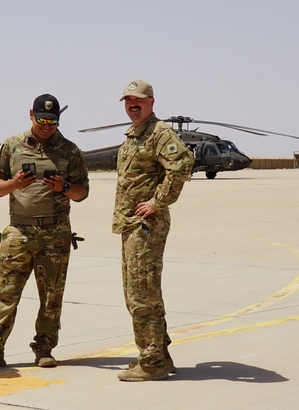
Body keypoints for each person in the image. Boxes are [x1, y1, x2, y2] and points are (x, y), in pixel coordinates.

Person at [0, 94, 89, 371]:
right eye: (42, 119)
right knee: (4, 294)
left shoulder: (70, 150)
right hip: (19, 231)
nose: (47, 125)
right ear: (31, 115)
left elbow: (82, 192)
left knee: (51, 296)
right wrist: (13, 183)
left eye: (53, 121)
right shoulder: (11, 146)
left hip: (55, 232)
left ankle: (44, 349)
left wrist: (64, 188)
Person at [112, 79, 193, 382]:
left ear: (151, 102)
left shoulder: (160, 134)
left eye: (138, 100)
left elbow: (182, 164)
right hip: (131, 225)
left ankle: (152, 360)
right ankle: (161, 353)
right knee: (140, 291)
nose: (132, 105)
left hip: (146, 226)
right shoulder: (134, 135)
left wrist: (158, 202)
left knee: (142, 294)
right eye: (128, 101)